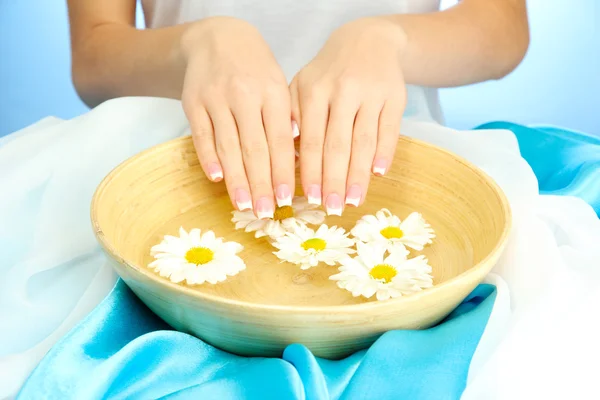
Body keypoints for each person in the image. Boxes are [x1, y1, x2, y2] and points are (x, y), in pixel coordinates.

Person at [66, 0, 529, 217]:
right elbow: (93, 57)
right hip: (180, 168)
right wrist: (196, 42)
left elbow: (504, 29)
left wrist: (386, 38)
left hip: (396, 162)